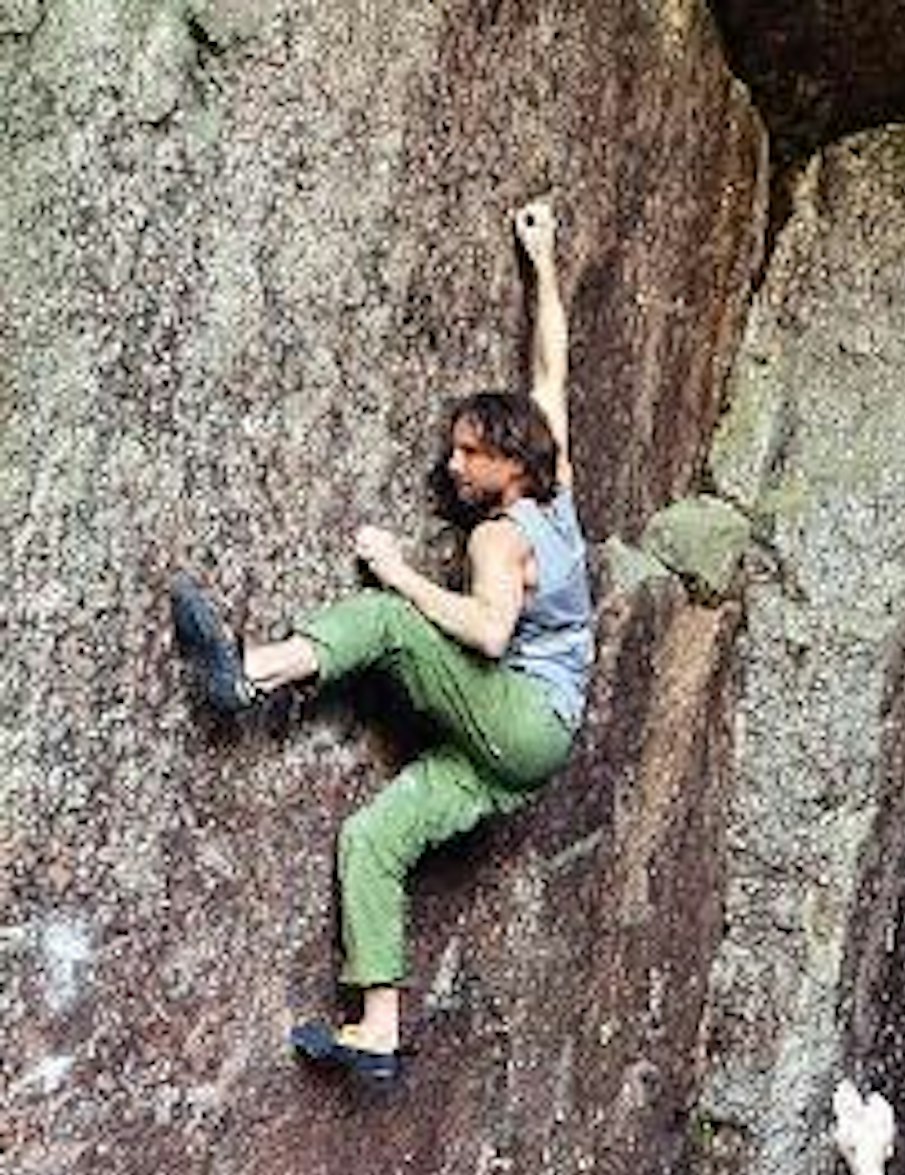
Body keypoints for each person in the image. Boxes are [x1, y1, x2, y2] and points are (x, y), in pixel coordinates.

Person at [171, 199, 593, 1089]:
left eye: (468, 452)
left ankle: (250, 675)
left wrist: (398, 571)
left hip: (520, 714)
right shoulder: (556, 484)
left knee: (393, 622)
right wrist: (543, 259)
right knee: (373, 837)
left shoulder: (499, 537)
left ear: (508, 461)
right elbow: (552, 366)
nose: (453, 465)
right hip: (526, 750)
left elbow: (489, 631)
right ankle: (377, 1030)